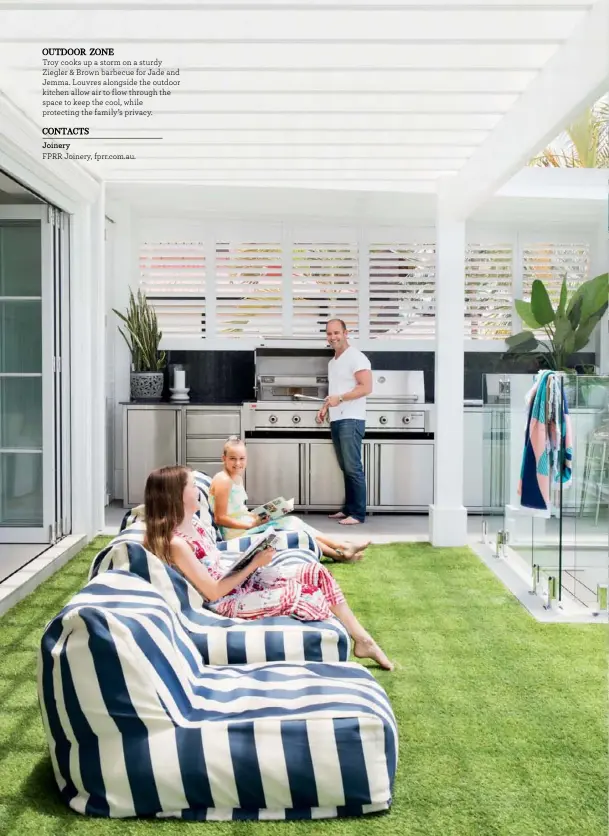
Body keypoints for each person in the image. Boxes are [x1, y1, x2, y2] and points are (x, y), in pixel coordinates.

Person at [143, 465, 393, 670]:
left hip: (241, 582)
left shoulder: (194, 524)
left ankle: (362, 639)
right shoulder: (177, 543)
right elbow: (213, 593)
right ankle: (340, 647)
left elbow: (215, 563)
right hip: (228, 600)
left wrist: (250, 558)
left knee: (316, 573)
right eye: (191, 487)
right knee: (308, 595)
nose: (198, 492)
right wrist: (253, 564)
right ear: (175, 496)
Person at [209, 436, 370, 562]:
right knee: (292, 525)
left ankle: (340, 551)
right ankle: (341, 550)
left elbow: (237, 510)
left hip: (246, 525)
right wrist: (250, 523)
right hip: (236, 534)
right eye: (232, 458)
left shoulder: (236, 477)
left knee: (293, 522)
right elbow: (220, 518)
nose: (238, 463)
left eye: (242, 458)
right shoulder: (223, 480)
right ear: (224, 458)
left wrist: (259, 515)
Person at [317, 318, 372, 526]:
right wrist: (325, 408)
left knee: (353, 467)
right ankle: (349, 509)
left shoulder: (356, 357)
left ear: (346, 333)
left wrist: (339, 399)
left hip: (352, 419)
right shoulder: (333, 362)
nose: (333, 337)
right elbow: (335, 392)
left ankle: (357, 514)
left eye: (336, 333)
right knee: (345, 467)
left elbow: (366, 387)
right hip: (338, 418)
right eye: (329, 334)